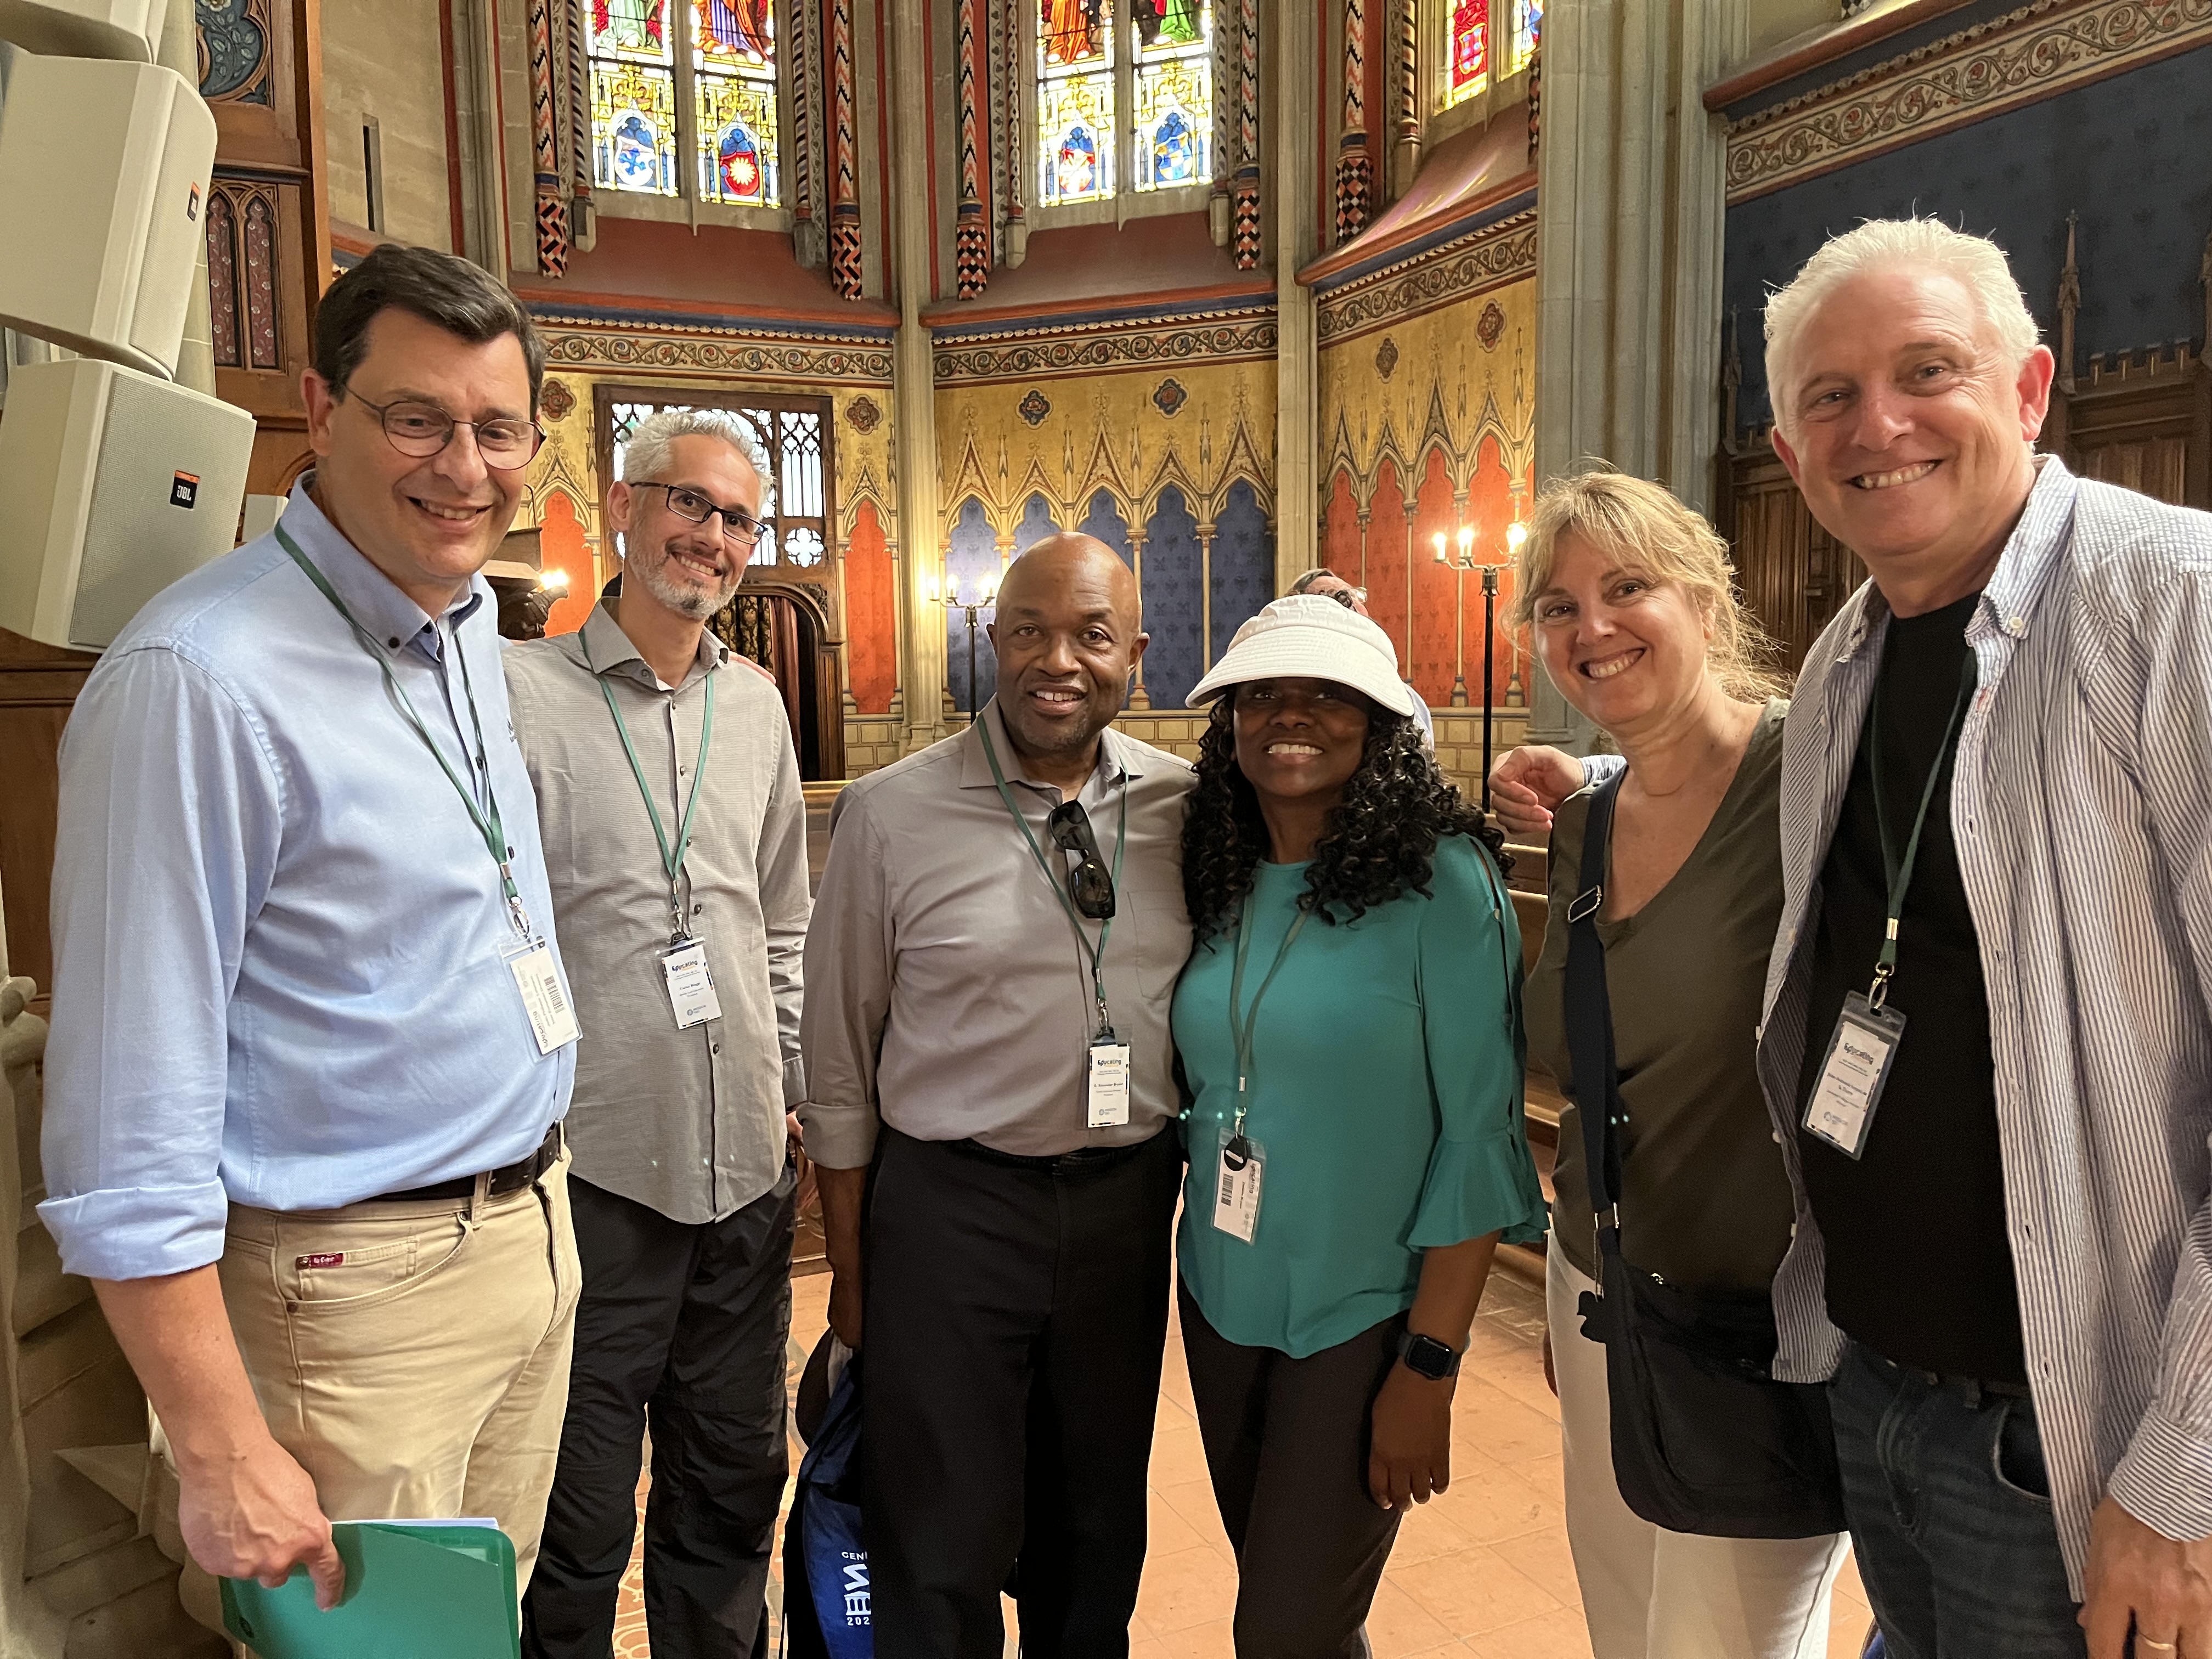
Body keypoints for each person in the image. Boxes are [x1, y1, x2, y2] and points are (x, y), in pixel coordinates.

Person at [1494, 218, 2212, 1659]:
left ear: (2028, 388)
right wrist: (1596, 784)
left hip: (2073, 1428)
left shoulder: (2175, 604)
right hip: (1872, 1380)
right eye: (1830, 397)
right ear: (1789, 442)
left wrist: (2184, 1474)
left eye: (1925, 371)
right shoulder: (1846, 665)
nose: (1875, 424)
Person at [39, 244, 579, 1607]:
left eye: (498, 427)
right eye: (417, 418)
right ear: (318, 409)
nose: (466, 468)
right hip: (347, 1295)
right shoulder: (198, 683)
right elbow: (123, 1120)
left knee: (471, 1631)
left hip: (523, 1232)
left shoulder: (459, 625)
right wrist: (219, 1447)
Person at [799, 533, 1194, 1657]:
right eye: (1028, 631)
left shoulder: (1190, 805)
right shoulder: (889, 814)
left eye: (1090, 634)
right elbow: (837, 1068)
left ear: (1138, 654)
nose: (1055, 659)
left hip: (1127, 1206)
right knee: (939, 1531)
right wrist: (854, 1278)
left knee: (1097, 1519)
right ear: (990, 640)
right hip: (949, 1212)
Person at [1498, 472, 1848, 1659]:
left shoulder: (1811, 776)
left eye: (1626, 587)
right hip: (1608, 1297)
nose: (1590, 628)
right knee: (1626, 1631)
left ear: (1706, 599)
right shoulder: (1589, 824)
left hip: (1765, 1331)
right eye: (1556, 606)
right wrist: (1580, 1275)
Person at [1170, 595, 1546, 1656]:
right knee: (1303, 1612)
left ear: (1379, 722)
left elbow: (1477, 1134)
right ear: (1228, 719)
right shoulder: (1217, 871)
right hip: (1219, 1297)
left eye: (1328, 694)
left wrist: (1427, 1365)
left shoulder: (1442, 881)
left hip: (1364, 1316)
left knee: (1283, 1629)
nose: (1292, 715)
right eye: (1264, 695)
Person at [509, 409, 810, 1658]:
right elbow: (495, 934)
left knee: (732, 1496)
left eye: (738, 518)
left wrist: (786, 1075)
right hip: (594, 1182)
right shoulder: (520, 700)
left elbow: (783, 921)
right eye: (690, 503)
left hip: (746, 1182)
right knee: (575, 1521)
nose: (715, 537)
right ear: (622, 508)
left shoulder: (759, 712)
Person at [1288, 567, 1436, 743]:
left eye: (1354, 596)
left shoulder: (1408, 699)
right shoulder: (1285, 691)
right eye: (1332, 596)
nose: (1353, 606)